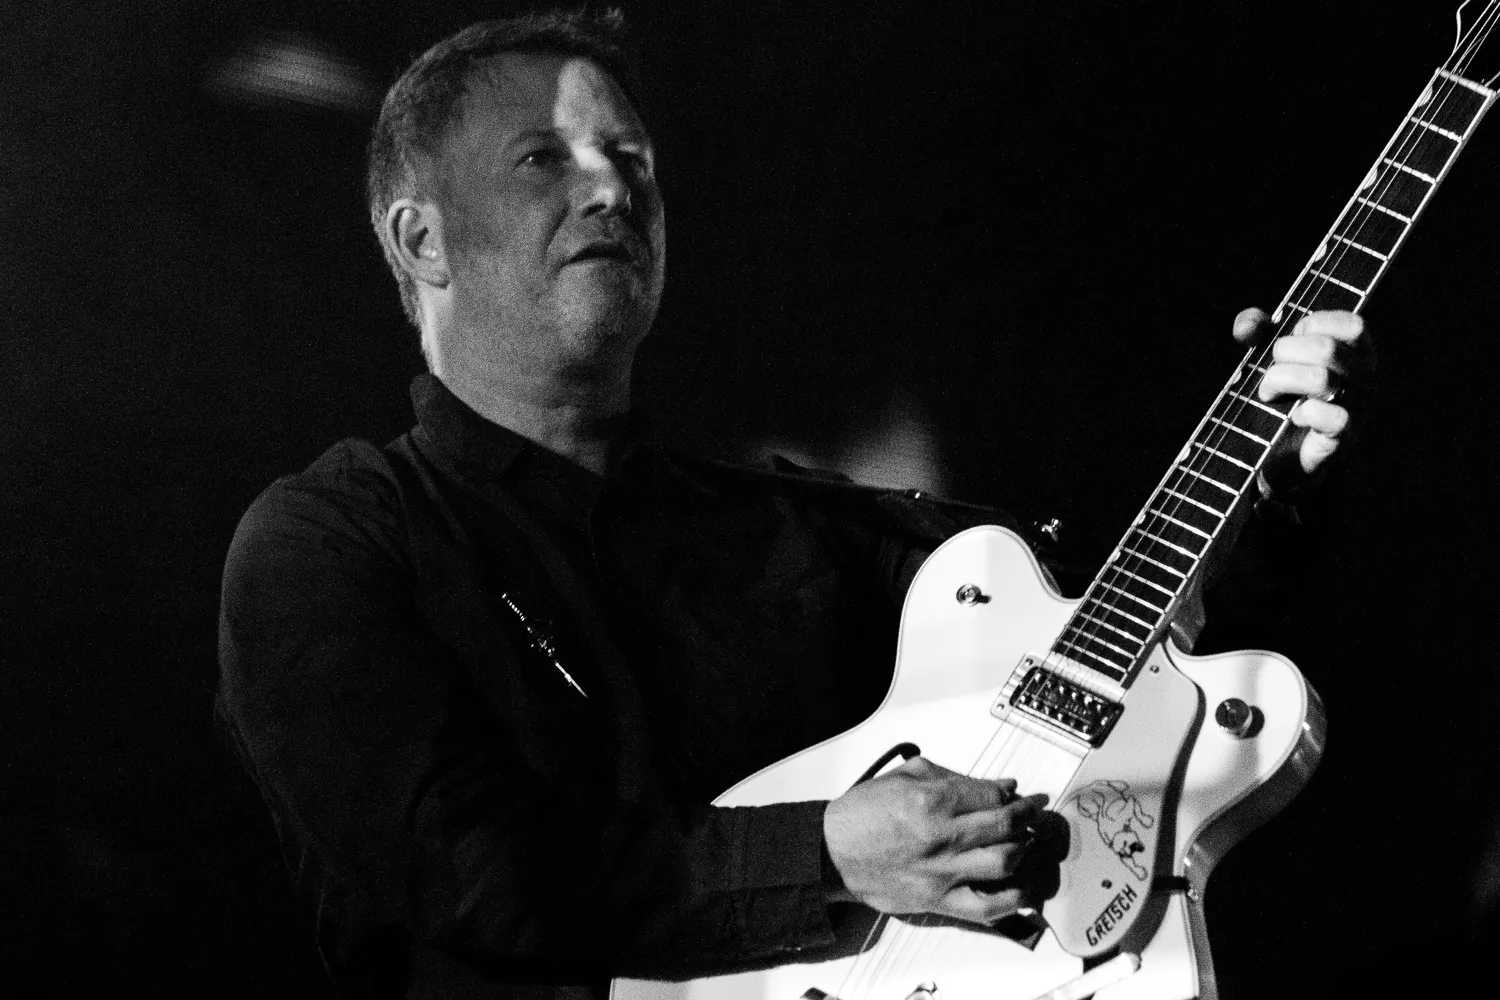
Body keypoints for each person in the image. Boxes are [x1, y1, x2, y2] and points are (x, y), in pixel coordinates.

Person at [215, 9, 1368, 998]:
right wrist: (824, 852)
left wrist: (1259, 478)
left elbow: (1107, 651)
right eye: (542, 158)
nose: (611, 185)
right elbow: (466, 871)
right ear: (421, 237)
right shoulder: (334, 537)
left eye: (631, 155)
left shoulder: (796, 522)